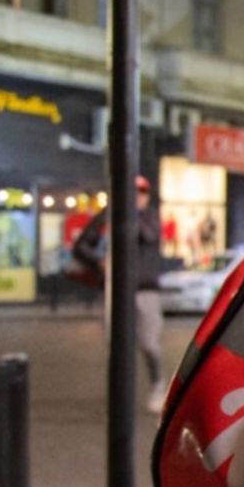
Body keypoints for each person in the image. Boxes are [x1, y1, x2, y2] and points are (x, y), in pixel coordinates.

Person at [73, 176, 166, 412]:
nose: (138, 196)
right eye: (134, 191)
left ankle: (158, 385)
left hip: (145, 289)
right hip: (115, 290)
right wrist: (99, 261)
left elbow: (150, 236)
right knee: (116, 345)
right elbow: (81, 246)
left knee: (149, 343)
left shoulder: (150, 216)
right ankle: (121, 394)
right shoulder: (107, 216)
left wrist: (134, 213)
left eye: (143, 192)